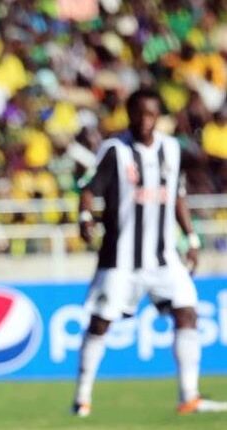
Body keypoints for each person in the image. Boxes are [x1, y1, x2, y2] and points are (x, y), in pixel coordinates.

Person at [71, 88, 227, 417]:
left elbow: (177, 196)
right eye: (139, 114)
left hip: (163, 257)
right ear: (129, 115)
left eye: (151, 114)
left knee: (187, 311)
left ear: (158, 116)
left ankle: (189, 396)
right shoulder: (115, 150)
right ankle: (82, 398)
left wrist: (192, 238)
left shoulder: (171, 149)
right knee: (101, 323)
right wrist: (85, 217)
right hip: (121, 259)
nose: (145, 120)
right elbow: (88, 187)